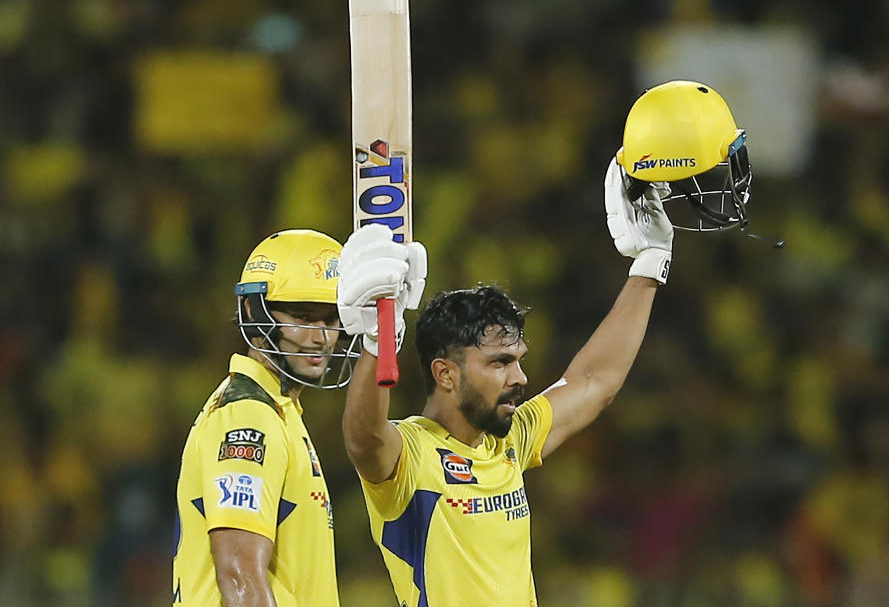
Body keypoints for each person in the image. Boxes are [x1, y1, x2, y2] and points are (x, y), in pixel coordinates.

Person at [334, 79, 750, 606]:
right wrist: (377, 340)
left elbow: (594, 382)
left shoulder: (508, 439)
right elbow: (363, 437)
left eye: (518, 361)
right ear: (446, 373)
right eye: (500, 363)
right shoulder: (412, 456)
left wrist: (649, 265)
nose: (520, 378)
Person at [173, 229, 358, 606]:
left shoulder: (276, 410)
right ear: (253, 313)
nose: (322, 337)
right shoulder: (248, 419)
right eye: (304, 317)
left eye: (332, 319)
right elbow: (239, 576)